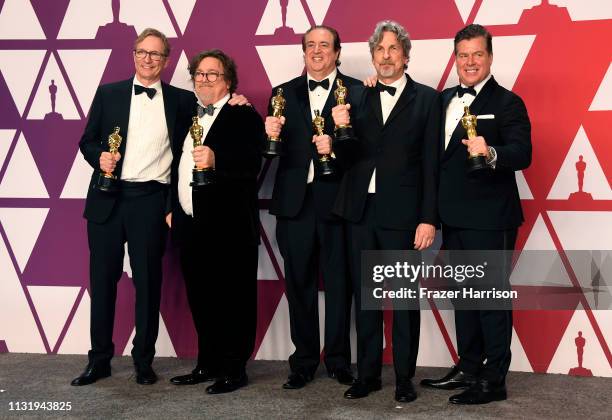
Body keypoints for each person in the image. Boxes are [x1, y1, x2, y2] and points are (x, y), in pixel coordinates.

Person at [71, 28, 196, 386]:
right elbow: (87, 141)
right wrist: (100, 159)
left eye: (156, 54)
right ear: (133, 54)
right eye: (142, 51)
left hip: (151, 201)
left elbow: (197, 141)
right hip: (108, 199)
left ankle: (144, 360)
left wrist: (239, 101)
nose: (148, 59)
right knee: (103, 280)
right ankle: (99, 360)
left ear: (166, 60)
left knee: (148, 281)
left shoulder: (182, 102)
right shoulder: (108, 93)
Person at [420, 24, 532, 405]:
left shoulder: (507, 102)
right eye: (463, 55)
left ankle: (494, 378)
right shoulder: (442, 99)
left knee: (490, 298)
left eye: (477, 54)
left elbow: (523, 152)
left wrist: (492, 152)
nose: (469, 62)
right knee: (463, 297)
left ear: (490, 57)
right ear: (455, 58)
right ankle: (469, 367)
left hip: (491, 217)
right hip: (453, 218)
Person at [330, 20, 439, 402]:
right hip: (360, 212)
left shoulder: (428, 99)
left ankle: (405, 378)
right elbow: (346, 158)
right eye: (380, 49)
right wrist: (338, 131)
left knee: (405, 302)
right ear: (373, 55)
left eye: (393, 49)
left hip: (405, 215)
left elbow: (431, 164)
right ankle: (369, 375)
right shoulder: (355, 96)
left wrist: (428, 218)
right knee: (367, 299)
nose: (386, 55)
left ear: (405, 55)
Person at [264, 25, 360, 389]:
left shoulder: (356, 91)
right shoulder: (282, 93)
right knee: (298, 284)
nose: (317, 51)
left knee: (339, 284)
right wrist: (267, 132)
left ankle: (337, 360)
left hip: (337, 204)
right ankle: (303, 361)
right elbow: (273, 148)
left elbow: (363, 150)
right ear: (303, 52)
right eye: (310, 45)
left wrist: (336, 146)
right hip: (295, 206)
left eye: (324, 45)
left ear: (338, 51)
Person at [168, 50, 263, 394]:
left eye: (213, 74)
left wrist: (216, 158)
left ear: (228, 81)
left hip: (230, 226)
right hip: (191, 224)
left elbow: (252, 164)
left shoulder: (244, 114)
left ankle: (234, 368)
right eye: (199, 74)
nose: (205, 80)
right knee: (201, 297)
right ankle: (207, 363)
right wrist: (172, 208)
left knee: (233, 299)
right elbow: (174, 166)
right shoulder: (187, 114)